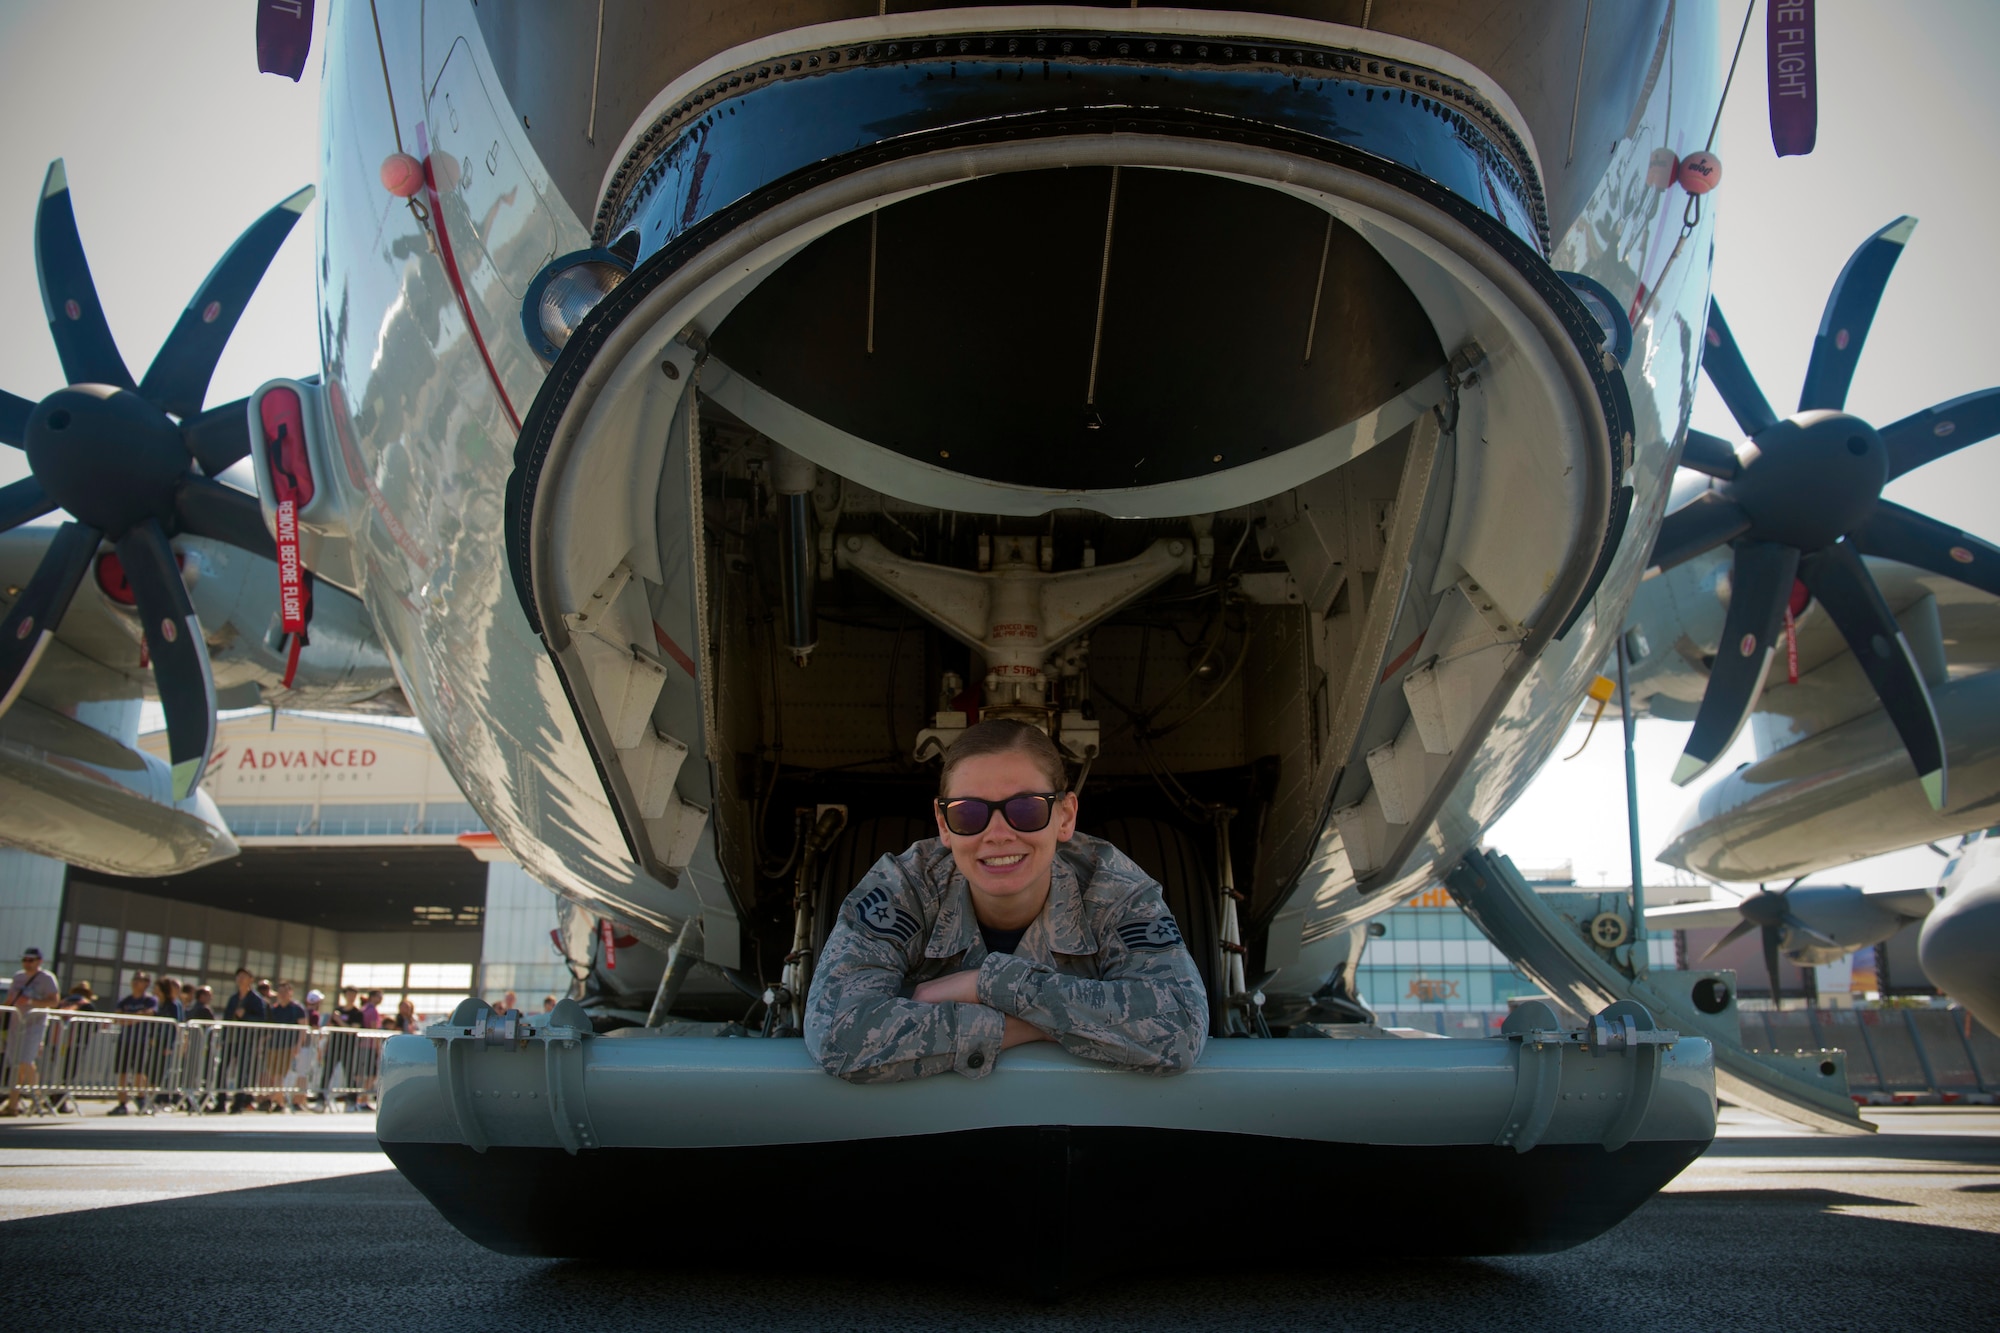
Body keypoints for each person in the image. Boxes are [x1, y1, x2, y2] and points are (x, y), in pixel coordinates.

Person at [806, 719, 1208, 1083]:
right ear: (944, 825)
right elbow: (838, 1029)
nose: (997, 834)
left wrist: (984, 984)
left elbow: (1180, 1023)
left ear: (1065, 816)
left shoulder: (1112, 889)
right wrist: (1048, 1023)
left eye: (1026, 809)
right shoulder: (907, 888)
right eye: (968, 814)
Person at [2, 948, 60, 1117]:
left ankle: (32, 1098)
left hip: (34, 1023)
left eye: (31, 960)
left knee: (25, 1060)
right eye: (25, 960)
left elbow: (54, 1001)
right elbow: (10, 999)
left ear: (39, 961)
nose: (27, 963)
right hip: (16, 1023)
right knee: (16, 1064)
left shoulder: (47, 978)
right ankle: (16, 1103)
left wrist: (31, 1001)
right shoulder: (18, 977)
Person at [111, 972, 159, 1115]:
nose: (136, 982)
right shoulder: (125, 1000)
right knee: (122, 1072)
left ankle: (141, 1099)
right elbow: (117, 1018)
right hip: (124, 1040)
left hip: (141, 1041)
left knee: (139, 1072)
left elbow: (149, 1014)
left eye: (140, 980)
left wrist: (129, 1019)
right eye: (134, 979)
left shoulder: (150, 1000)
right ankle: (121, 1103)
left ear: (146, 983)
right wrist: (135, 1017)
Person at [220, 967, 268, 1113]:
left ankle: (238, 1102)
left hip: (246, 1039)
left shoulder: (256, 1000)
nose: (240, 979)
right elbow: (227, 1017)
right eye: (238, 976)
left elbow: (261, 1020)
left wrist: (245, 1015)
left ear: (250, 979)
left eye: (244, 976)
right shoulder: (233, 999)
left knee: (242, 1071)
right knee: (222, 1069)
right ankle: (220, 1101)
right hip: (231, 1038)